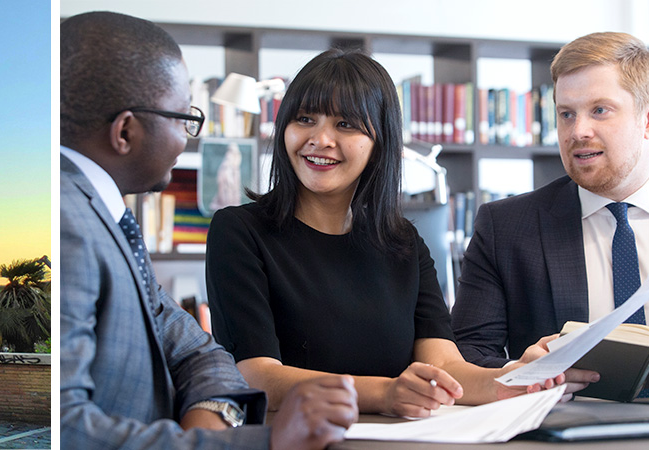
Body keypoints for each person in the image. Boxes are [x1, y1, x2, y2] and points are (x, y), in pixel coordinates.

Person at [208, 49, 562, 418]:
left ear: (380, 144)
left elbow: (446, 367)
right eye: (305, 119)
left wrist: (514, 380)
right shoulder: (239, 232)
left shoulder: (403, 243)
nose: (320, 138)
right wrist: (384, 392)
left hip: (397, 439)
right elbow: (258, 376)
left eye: (345, 124)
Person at [60, 12, 356, 450]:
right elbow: (68, 430)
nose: (187, 137)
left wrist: (210, 423)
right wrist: (265, 443)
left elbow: (199, 351)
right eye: (184, 118)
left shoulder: (106, 219)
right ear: (125, 131)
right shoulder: (70, 226)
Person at [449, 32, 649, 401]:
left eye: (600, 110)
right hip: (566, 433)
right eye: (566, 114)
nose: (578, 132)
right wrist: (515, 373)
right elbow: (467, 357)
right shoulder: (505, 227)